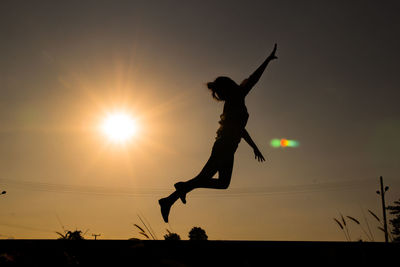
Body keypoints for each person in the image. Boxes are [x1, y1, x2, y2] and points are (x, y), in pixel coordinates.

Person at [159, 44, 278, 223]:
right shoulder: (236, 98)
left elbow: (240, 129)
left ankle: (171, 198)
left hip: (229, 147)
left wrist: (254, 147)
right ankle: (174, 195)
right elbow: (253, 79)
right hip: (224, 146)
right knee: (204, 178)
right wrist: (267, 60)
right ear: (230, 86)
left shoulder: (233, 102)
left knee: (222, 183)